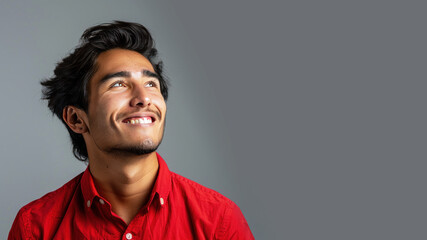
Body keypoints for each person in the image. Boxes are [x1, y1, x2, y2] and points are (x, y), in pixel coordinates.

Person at [8, 21, 254, 239]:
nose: (143, 98)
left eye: (150, 83)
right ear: (76, 119)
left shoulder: (218, 221)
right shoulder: (35, 228)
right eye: (118, 84)